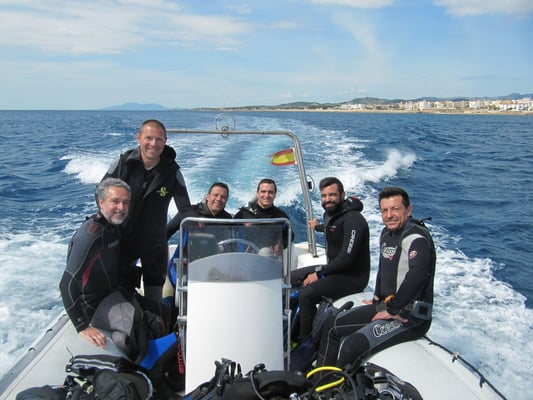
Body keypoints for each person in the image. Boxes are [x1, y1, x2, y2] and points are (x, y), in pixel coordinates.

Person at [59, 178, 183, 398]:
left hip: (114, 293)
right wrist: (82, 326)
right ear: (101, 202)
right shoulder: (90, 235)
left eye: (125, 202)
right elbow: (66, 283)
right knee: (141, 329)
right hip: (94, 305)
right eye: (115, 201)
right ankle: (151, 380)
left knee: (162, 312)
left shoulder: (113, 227)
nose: (121, 207)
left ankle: (166, 365)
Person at [316, 187, 436, 370]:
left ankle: (340, 384)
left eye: (395, 209)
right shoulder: (387, 234)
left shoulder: (416, 238)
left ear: (408, 210)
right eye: (384, 210)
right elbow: (384, 268)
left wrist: (394, 308)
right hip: (387, 306)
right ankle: (321, 381)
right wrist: (377, 299)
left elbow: (417, 274)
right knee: (332, 324)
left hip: (410, 317)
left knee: (352, 346)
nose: (389, 215)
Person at [101, 119, 191, 304]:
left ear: (165, 141)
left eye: (159, 139)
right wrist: (104, 228)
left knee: (154, 297)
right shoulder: (123, 165)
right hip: (122, 239)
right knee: (119, 291)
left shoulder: (172, 171)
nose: (153, 144)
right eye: (148, 138)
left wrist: (168, 231)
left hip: (154, 243)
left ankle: (153, 318)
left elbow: (185, 209)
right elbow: (101, 195)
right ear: (139, 138)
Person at [290, 177, 371, 342]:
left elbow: (347, 258)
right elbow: (332, 228)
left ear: (342, 195)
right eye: (324, 195)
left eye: (332, 195)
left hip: (352, 277)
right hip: (335, 269)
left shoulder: (354, 220)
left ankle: (306, 341)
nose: (328, 199)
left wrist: (319, 274)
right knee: (290, 278)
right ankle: (294, 326)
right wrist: (316, 227)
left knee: (306, 295)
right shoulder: (331, 213)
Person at [234, 178, 294, 255]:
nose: (267, 195)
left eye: (270, 192)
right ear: (257, 193)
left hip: (268, 258)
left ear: (275, 195)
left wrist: (282, 244)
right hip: (244, 257)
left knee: (265, 252)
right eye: (263, 191)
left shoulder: (281, 217)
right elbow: (230, 232)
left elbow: (290, 236)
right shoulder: (243, 214)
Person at [166, 181, 232, 240]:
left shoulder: (228, 219)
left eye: (223, 197)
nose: (219, 199)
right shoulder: (189, 212)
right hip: (190, 249)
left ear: (226, 200)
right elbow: (167, 231)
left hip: (218, 250)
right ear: (208, 196)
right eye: (216, 195)